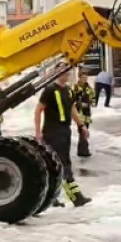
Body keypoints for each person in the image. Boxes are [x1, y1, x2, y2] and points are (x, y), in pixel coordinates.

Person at [35, 70, 92, 207]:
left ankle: (54, 198)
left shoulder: (68, 90)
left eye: (67, 73)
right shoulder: (49, 90)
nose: (66, 76)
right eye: (63, 73)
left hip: (65, 131)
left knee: (60, 163)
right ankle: (74, 197)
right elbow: (38, 110)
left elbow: (72, 109)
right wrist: (38, 132)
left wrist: (81, 125)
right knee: (60, 164)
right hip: (52, 131)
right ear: (57, 74)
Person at [72, 71, 95, 157]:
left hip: (87, 113)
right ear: (79, 77)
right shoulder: (75, 88)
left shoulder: (88, 88)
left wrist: (92, 102)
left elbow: (93, 96)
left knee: (85, 131)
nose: (85, 79)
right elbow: (72, 101)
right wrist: (79, 104)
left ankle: (81, 150)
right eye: (83, 78)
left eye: (86, 78)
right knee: (82, 131)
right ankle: (84, 150)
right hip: (79, 113)